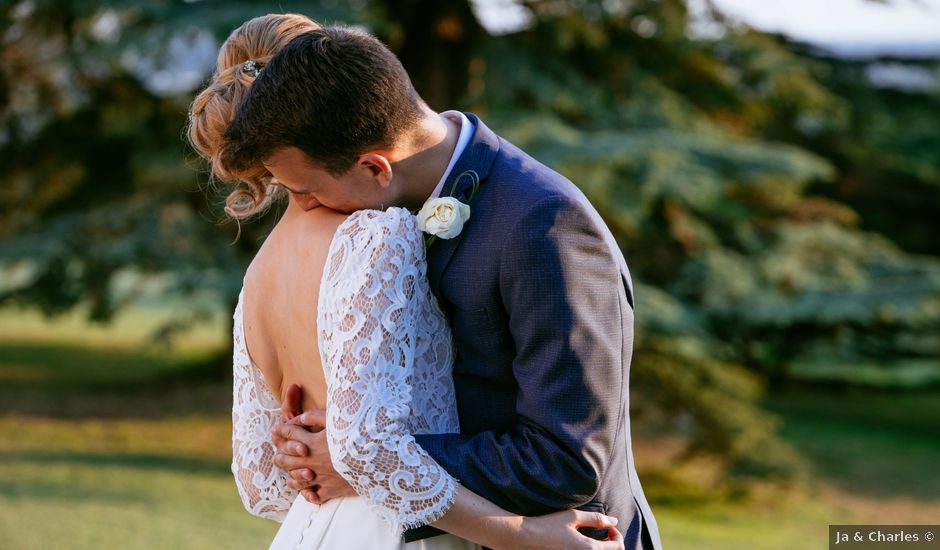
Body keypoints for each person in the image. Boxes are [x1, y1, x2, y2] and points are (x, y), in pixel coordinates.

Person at [188, 14, 625, 550]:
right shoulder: (377, 217)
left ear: (375, 168)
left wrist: (360, 459)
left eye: (306, 190)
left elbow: (564, 460)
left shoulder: (543, 222)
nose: (304, 210)